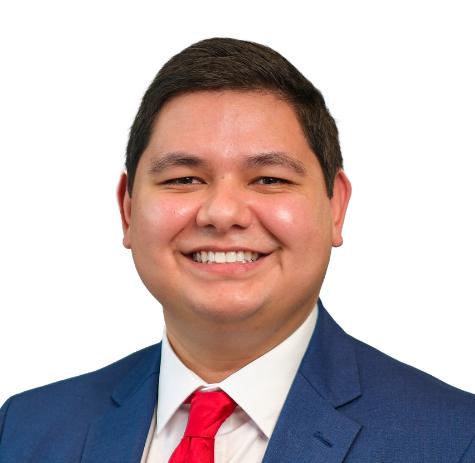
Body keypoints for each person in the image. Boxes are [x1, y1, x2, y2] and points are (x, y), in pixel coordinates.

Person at [1, 37, 474, 463]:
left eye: (269, 179)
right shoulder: (23, 430)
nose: (222, 213)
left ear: (336, 206)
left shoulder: (454, 440)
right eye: (184, 179)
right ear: (128, 210)